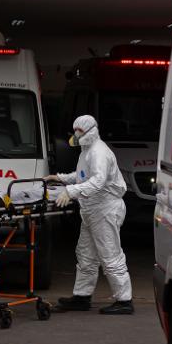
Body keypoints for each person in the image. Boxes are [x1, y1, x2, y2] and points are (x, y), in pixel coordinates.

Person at [44, 115, 134, 315]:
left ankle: (124, 300)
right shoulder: (86, 151)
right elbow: (83, 175)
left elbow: (98, 182)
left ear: (90, 131)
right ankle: (82, 297)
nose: (76, 135)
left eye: (80, 131)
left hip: (105, 209)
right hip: (93, 210)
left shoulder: (99, 152)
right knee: (85, 255)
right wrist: (59, 178)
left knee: (110, 255)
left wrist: (71, 192)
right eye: (75, 130)